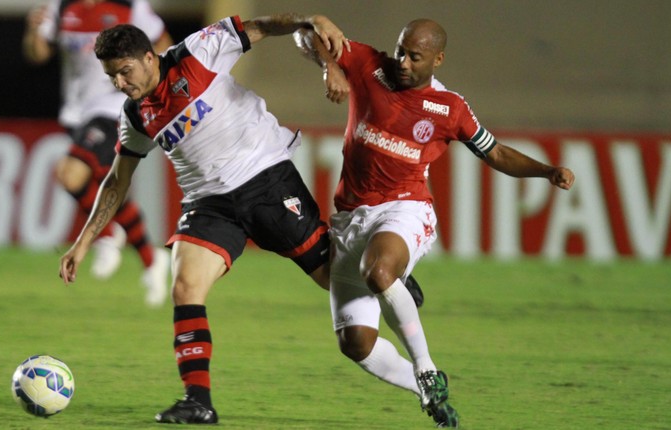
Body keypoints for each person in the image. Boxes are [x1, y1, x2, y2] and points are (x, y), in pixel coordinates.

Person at [57, 13, 355, 425]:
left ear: (149, 57)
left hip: (264, 179)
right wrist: (83, 242)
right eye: (112, 77)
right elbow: (116, 181)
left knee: (334, 278)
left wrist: (313, 24)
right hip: (208, 204)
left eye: (125, 72)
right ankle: (198, 401)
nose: (120, 84)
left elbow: (265, 26)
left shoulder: (199, 51)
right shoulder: (137, 115)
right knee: (185, 287)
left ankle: (388, 275)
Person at [295, 18, 575, 428]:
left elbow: (494, 153)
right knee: (355, 345)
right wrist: (329, 65)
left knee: (379, 271)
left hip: (406, 208)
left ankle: (424, 365)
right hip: (351, 218)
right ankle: (426, 386)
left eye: (415, 56)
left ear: (438, 60)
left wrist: (546, 171)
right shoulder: (369, 65)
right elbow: (306, 32)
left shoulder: (449, 109)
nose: (403, 62)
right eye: (400, 51)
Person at [23, 0, 172, 306]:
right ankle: (150, 258)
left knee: (70, 173)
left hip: (113, 106)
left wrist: (149, 92)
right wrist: (33, 31)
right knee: (108, 182)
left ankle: (106, 236)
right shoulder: (62, 6)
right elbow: (38, 54)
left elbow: (163, 46)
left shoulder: (129, 5)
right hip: (77, 111)